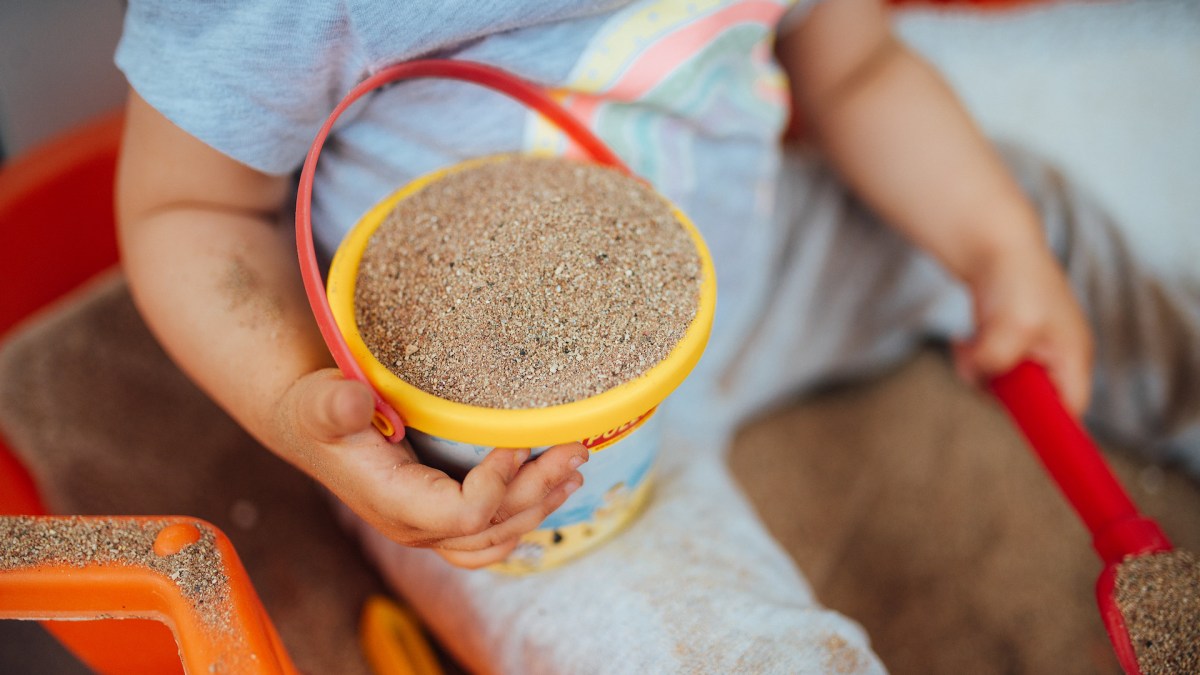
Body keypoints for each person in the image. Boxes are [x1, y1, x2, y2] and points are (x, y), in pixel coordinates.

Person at [114, 0, 1199, 671]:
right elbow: (192, 210)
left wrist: (995, 249)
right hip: (497, 455)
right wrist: (294, 398)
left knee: (1024, 212)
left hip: (756, 269)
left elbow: (857, 67)